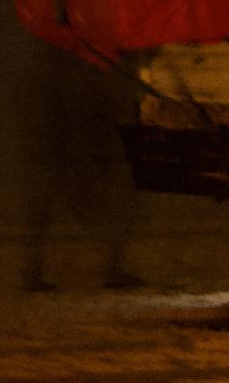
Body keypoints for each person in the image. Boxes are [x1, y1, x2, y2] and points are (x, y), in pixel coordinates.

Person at [18, 50, 142, 292]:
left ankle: (32, 273)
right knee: (115, 209)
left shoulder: (39, 81)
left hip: (44, 158)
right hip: (61, 158)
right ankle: (112, 269)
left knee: (40, 218)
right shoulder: (69, 83)